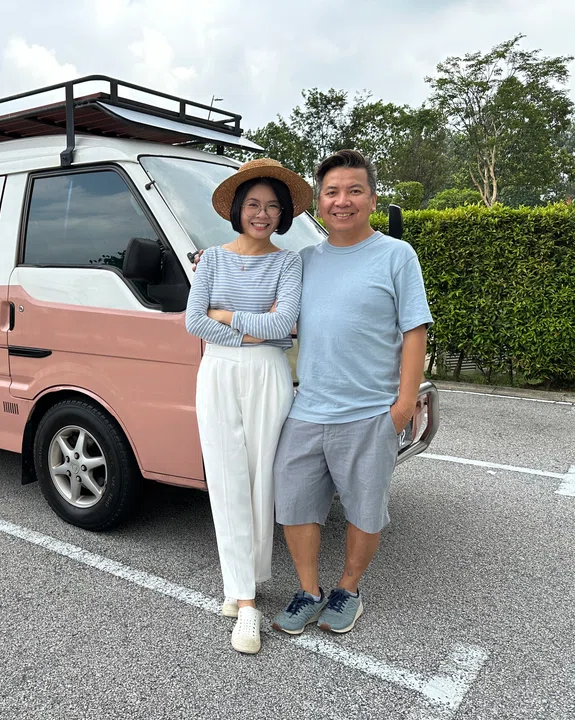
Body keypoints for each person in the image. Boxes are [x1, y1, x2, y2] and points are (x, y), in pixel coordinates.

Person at [267, 149, 432, 635]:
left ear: (373, 199)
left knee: (365, 509)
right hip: (307, 407)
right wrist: (212, 272)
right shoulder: (303, 261)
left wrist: (403, 405)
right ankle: (308, 591)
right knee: (294, 503)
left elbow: (415, 331)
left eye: (354, 190)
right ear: (319, 202)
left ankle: (348, 590)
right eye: (332, 192)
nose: (342, 201)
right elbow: (273, 311)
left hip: (370, 411)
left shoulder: (397, 255)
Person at [185, 158, 313, 654]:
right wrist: (252, 324)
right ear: (238, 208)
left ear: (283, 214)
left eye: (272, 206)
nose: (262, 214)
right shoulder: (212, 259)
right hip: (217, 371)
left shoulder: (288, 262)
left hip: (268, 374)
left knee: (262, 481)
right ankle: (244, 601)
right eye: (254, 204)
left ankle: (246, 582)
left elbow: (283, 326)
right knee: (226, 479)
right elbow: (194, 322)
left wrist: (226, 315)